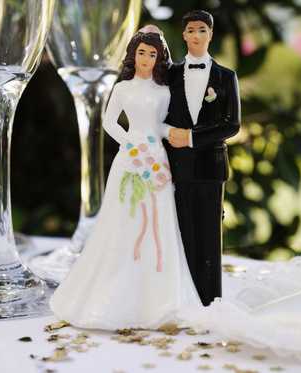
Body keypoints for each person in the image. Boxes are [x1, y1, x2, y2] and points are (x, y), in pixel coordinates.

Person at [49, 32, 201, 330]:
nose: (146, 60)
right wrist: (129, 143)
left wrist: (172, 135)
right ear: (134, 55)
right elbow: (108, 122)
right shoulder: (121, 88)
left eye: (152, 55)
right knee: (123, 219)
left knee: (159, 220)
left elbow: (159, 124)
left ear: (159, 60)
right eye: (142, 53)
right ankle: (112, 290)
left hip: (156, 155)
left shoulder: (164, 92)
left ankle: (157, 296)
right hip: (130, 156)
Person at [164, 10, 241, 306]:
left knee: (210, 235)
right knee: (183, 232)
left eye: (202, 30)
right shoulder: (169, 74)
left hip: (211, 167)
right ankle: (184, 298)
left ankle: (210, 300)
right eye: (191, 30)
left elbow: (232, 124)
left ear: (210, 35)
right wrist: (170, 133)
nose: (196, 36)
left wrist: (192, 137)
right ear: (183, 35)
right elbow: (158, 112)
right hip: (178, 167)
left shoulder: (226, 77)